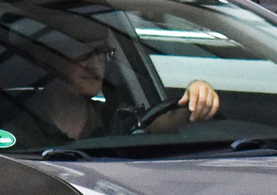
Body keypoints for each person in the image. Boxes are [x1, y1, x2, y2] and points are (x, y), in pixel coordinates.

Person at [24, 35, 219, 142]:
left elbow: (165, 124)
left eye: (102, 52)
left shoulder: (115, 117)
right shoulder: (18, 124)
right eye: (83, 52)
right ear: (46, 58)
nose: (96, 64)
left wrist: (198, 93)